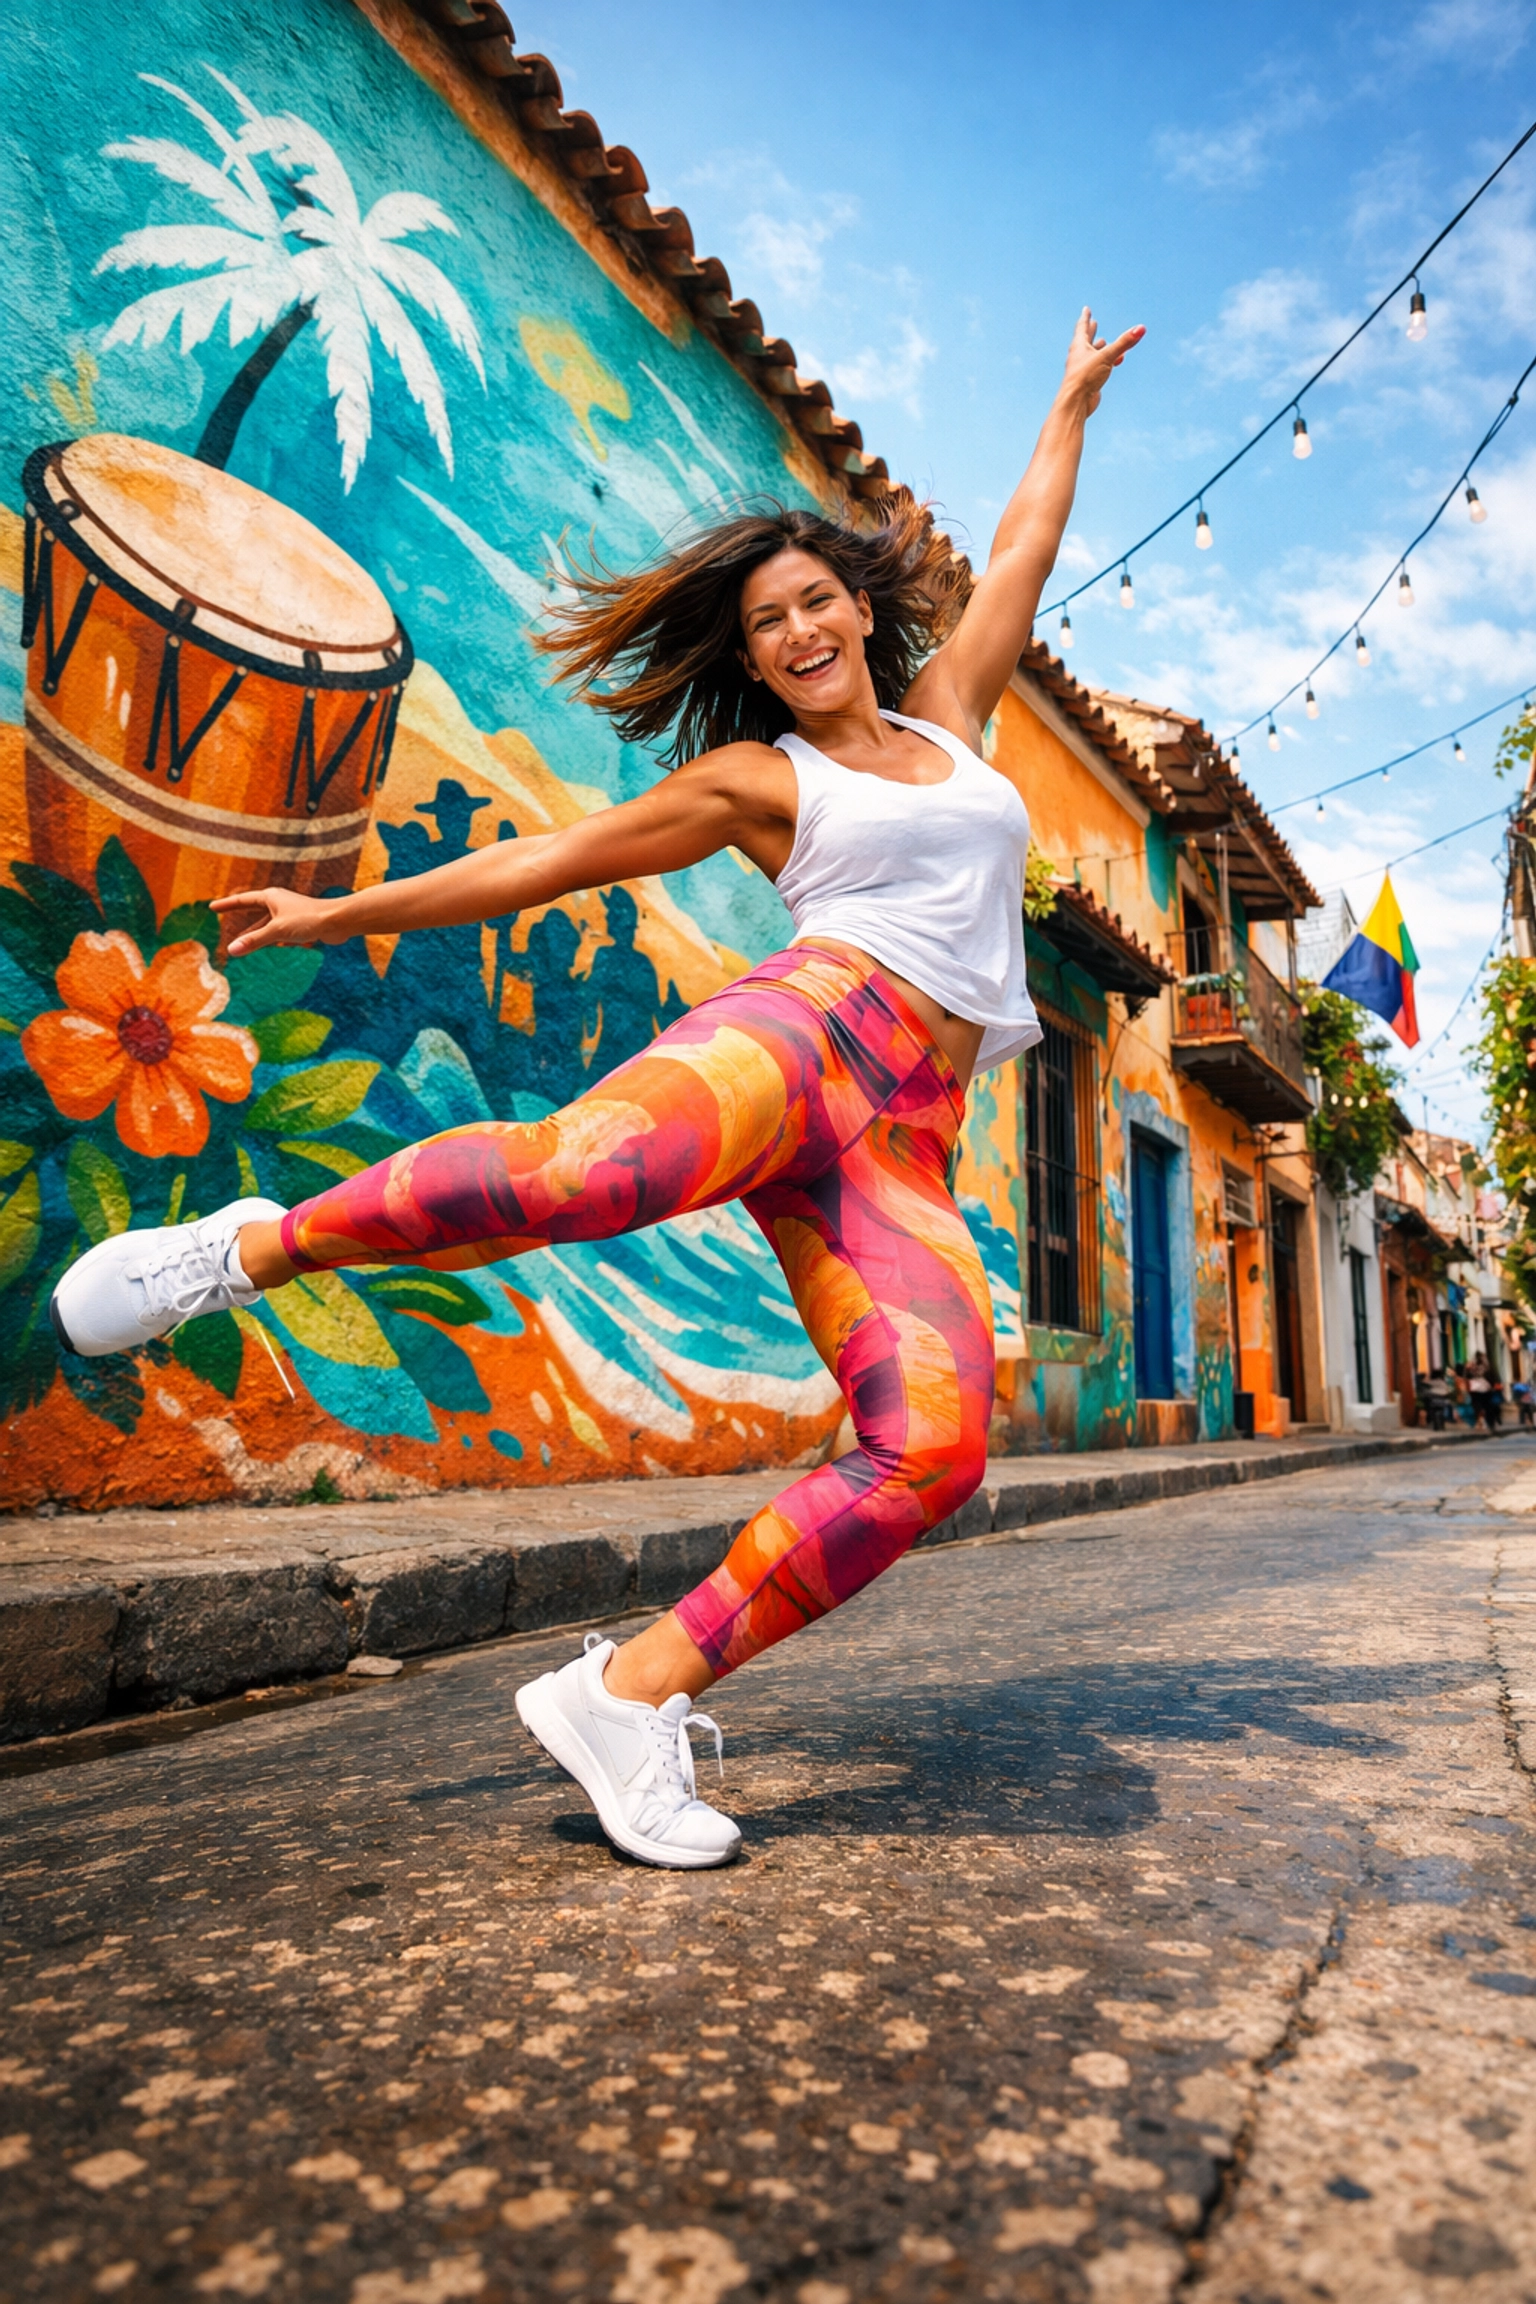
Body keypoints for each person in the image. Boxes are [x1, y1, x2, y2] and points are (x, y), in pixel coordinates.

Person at [48, 308, 1143, 1870]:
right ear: (751, 655)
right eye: (769, 623)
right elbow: (540, 860)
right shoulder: (764, 784)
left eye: (818, 601)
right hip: (814, 1031)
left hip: (907, 1134)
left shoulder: (951, 723)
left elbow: (1024, 556)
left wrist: (1070, 407)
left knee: (937, 1445)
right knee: (579, 1176)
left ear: (860, 611)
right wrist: (339, 913)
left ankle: (628, 1697)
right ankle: (241, 1251)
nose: (800, 633)